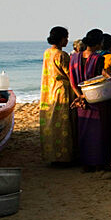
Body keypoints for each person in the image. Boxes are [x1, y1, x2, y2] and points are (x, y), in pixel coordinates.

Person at [68, 29, 111, 171]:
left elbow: (72, 80)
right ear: (99, 42)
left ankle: (86, 163)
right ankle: (99, 162)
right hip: (96, 99)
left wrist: (80, 96)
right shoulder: (98, 58)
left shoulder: (74, 57)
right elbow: (103, 76)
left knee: (84, 130)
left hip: (81, 99)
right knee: (99, 130)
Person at [39, 26, 75, 164]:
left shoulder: (47, 52)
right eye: (66, 37)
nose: (67, 40)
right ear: (61, 39)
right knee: (63, 123)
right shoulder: (62, 55)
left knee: (51, 122)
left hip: (48, 91)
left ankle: (51, 155)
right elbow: (69, 75)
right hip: (61, 91)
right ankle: (63, 156)